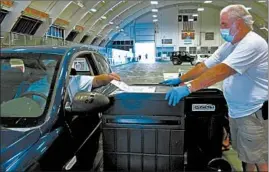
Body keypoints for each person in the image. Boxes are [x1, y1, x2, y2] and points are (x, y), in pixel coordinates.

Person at [160, 4, 268, 172]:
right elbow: (204, 66)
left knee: (259, 158)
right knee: (245, 156)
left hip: (253, 112)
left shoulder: (252, 43)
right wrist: (180, 79)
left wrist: (188, 88)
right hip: (237, 111)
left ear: (238, 23)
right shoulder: (231, 45)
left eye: (224, 24)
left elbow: (221, 71)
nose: (221, 28)